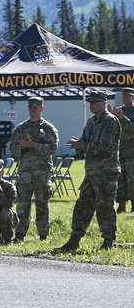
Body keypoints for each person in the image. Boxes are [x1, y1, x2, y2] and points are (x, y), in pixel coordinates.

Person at [59, 89, 121, 251]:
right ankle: (74, 239)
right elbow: (86, 142)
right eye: (90, 102)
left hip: (106, 173)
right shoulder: (92, 121)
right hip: (91, 172)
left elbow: (103, 147)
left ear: (104, 103)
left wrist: (82, 145)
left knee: (104, 207)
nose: (91, 105)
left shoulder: (110, 121)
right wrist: (79, 144)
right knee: (83, 205)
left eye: (94, 102)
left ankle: (108, 240)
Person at [8, 96, 59, 242]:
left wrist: (34, 145)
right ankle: (20, 234)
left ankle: (43, 234)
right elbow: (13, 149)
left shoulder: (48, 128)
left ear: (41, 109)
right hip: (25, 172)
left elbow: (53, 147)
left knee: (42, 204)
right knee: (23, 204)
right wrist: (22, 146)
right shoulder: (21, 128)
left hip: (42, 173)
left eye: (35, 108)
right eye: (30, 107)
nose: (32, 110)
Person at [109, 87, 134, 213]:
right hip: (120, 149)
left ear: (132, 97)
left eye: (127, 96)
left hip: (132, 150)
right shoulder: (119, 111)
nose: (125, 99)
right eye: (123, 96)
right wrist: (110, 115)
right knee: (120, 177)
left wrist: (123, 118)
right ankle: (122, 205)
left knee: (132, 177)